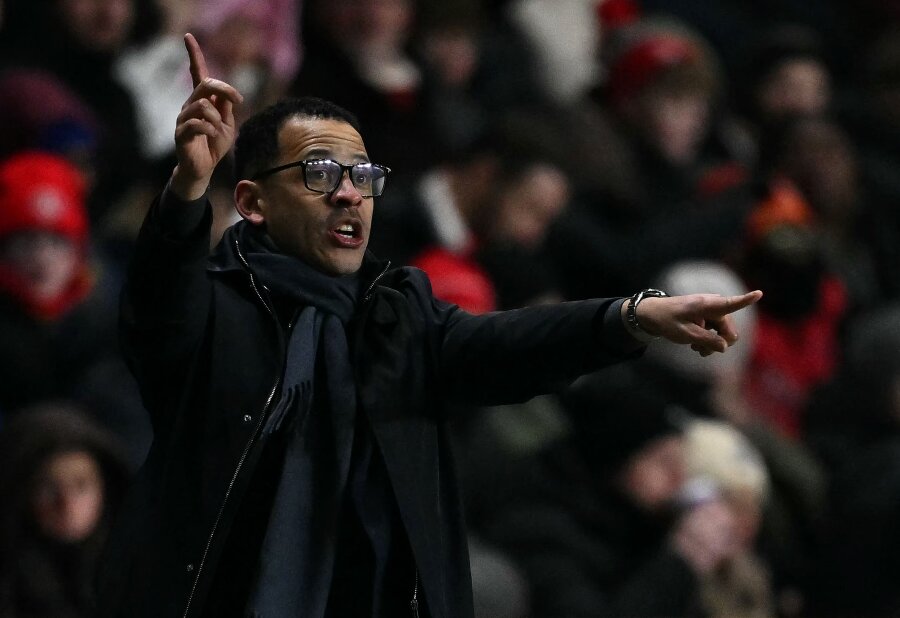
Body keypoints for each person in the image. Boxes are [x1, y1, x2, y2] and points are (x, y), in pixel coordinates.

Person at [97, 33, 761, 618]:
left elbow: (505, 345)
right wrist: (189, 187)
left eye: (363, 176)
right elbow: (158, 306)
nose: (350, 192)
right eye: (321, 173)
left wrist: (631, 316)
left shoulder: (396, 314)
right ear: (253, 201)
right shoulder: (214, 308)